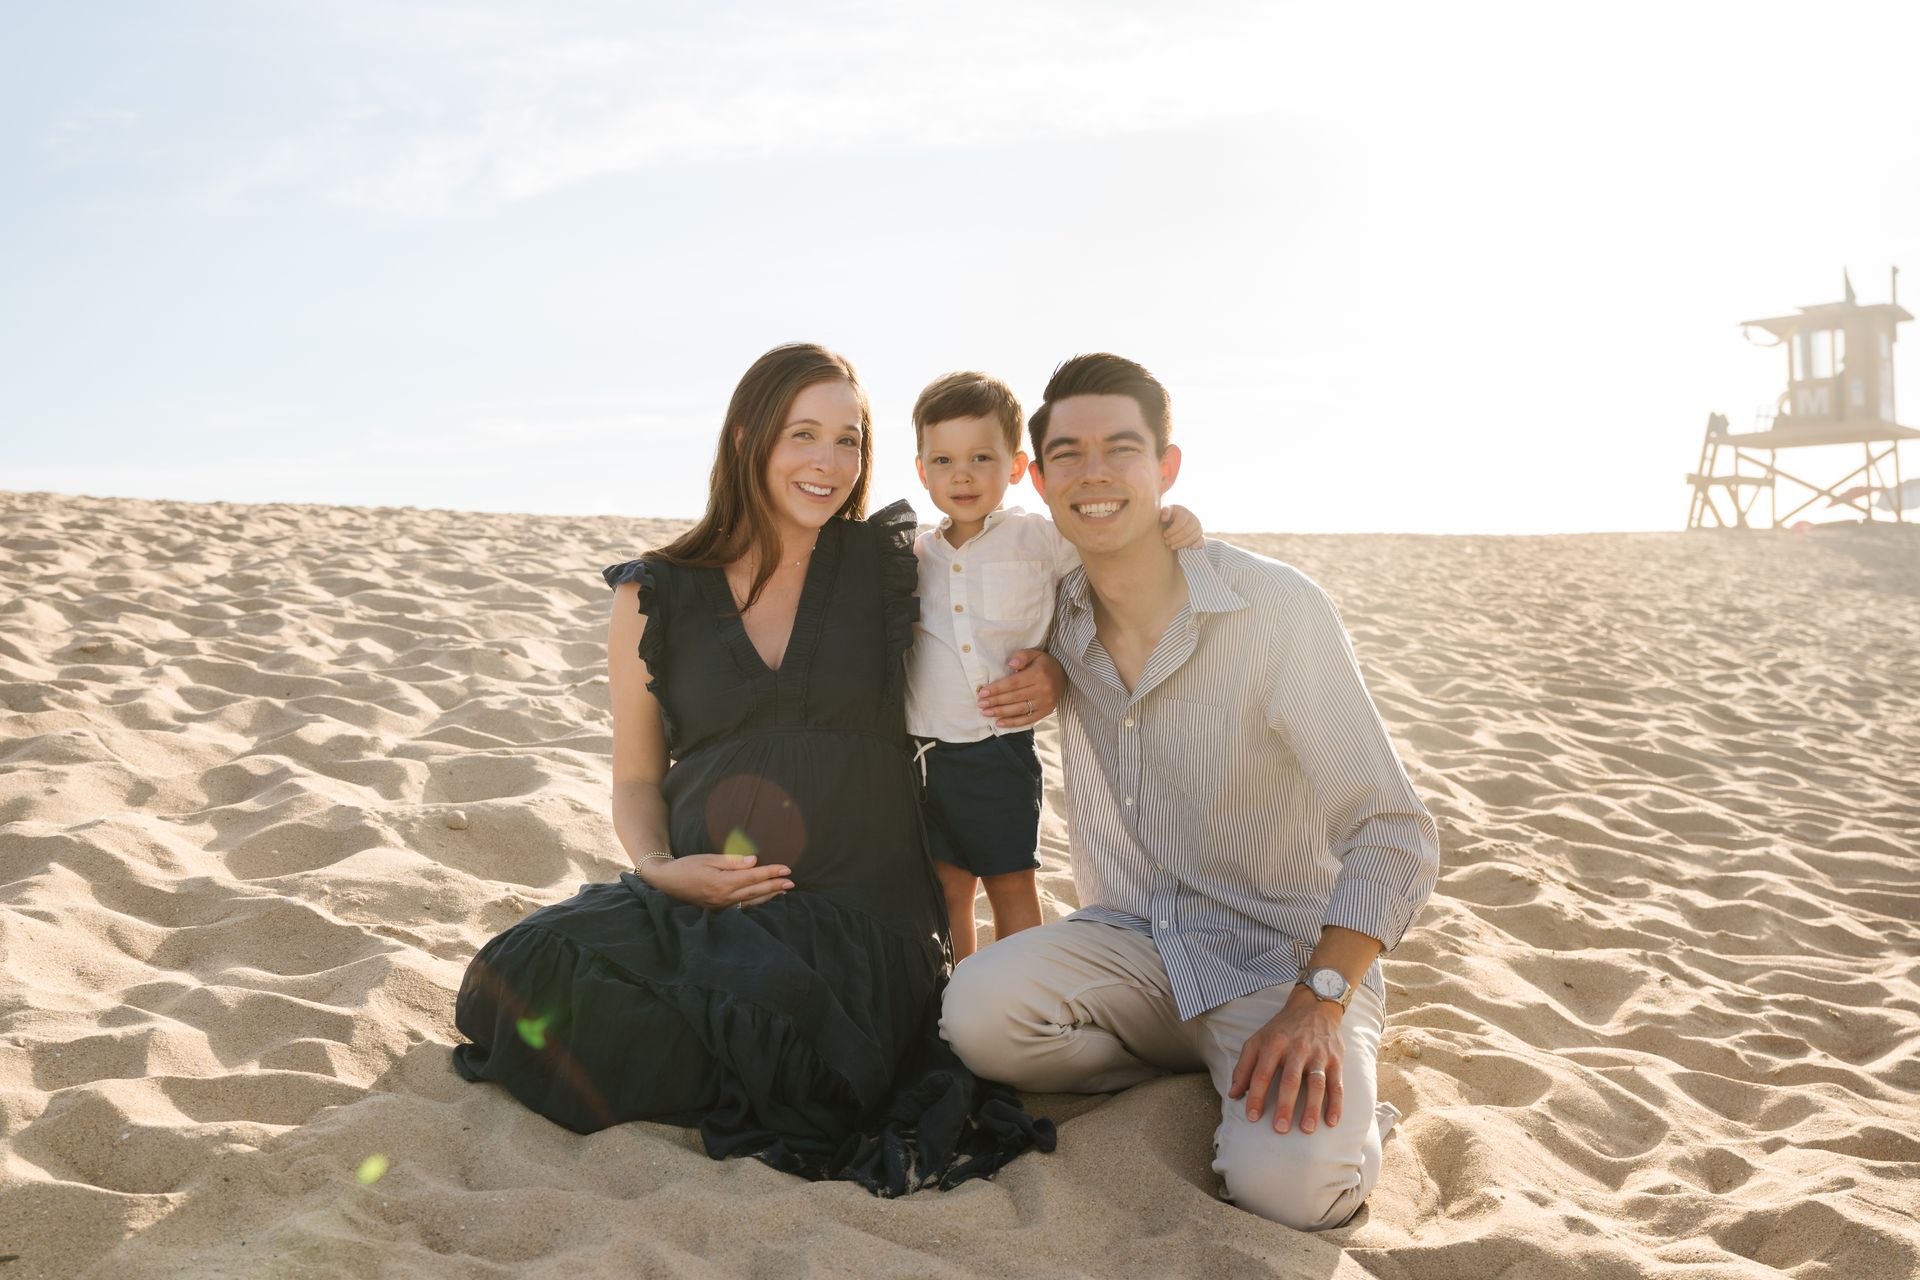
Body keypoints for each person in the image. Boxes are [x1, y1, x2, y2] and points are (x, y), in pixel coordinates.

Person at [451, 343, 1056, 1195]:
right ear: (746, 439)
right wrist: (663, 872)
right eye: (802, 434)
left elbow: (1015, 589)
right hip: (704, 894)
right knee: (519, 974)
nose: (829, 462)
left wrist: (1053, 671)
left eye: (848, 440)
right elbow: (633, 777)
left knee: (806, 1052)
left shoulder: (890, 564)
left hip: (858, 909)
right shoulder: (654, 593)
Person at [940, 353, 1440, 1229]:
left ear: (1167, 468)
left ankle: (1345, 1112)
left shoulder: (1275, 608)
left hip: (1282, 962)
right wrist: (1052, 670)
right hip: (1134, 944)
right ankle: (1212, 1074)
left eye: (1121, 449)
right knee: (976, 1015)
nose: (1093, 472)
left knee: (1290, 1194)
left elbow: (1392, 828)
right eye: (1068, 454)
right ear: (1041, 476)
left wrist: (1320, 1001)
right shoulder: (1050, 611)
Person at [905, 370, 1201, 960]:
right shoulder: (915, 550)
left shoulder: (1039, 538)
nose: (961, 475)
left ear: (1017, 468)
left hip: (998, 749)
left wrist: (1177, 520)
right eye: (942, 461)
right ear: (921, 470)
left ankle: (1016, 985)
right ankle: (957, 989)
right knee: (948, 889)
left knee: (1011, 881)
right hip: (921, 753)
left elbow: (1114, 541)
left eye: (981, 457)